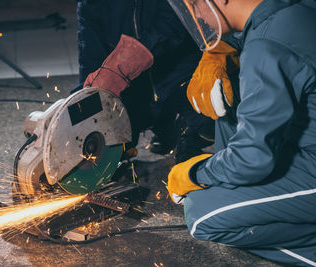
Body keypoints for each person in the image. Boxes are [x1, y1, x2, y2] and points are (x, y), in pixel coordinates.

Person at [166, 0, 316, 265]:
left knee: (202, 215)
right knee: (227, 100)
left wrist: (195, 173)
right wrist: (223, 52)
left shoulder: (265, 47)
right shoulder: (294, 10)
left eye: (195, 5)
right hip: (306, 145)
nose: (197, 16)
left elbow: (253, 159)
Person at [74, 0, 215, 160]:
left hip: (181, 71)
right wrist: (81, 107)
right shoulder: (90, 5)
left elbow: (171, 26)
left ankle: (189, 136)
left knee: (208, 118)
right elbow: (90, 63)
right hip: (139, 85)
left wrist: (121, 66)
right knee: (115, 142)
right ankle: (163, 123)